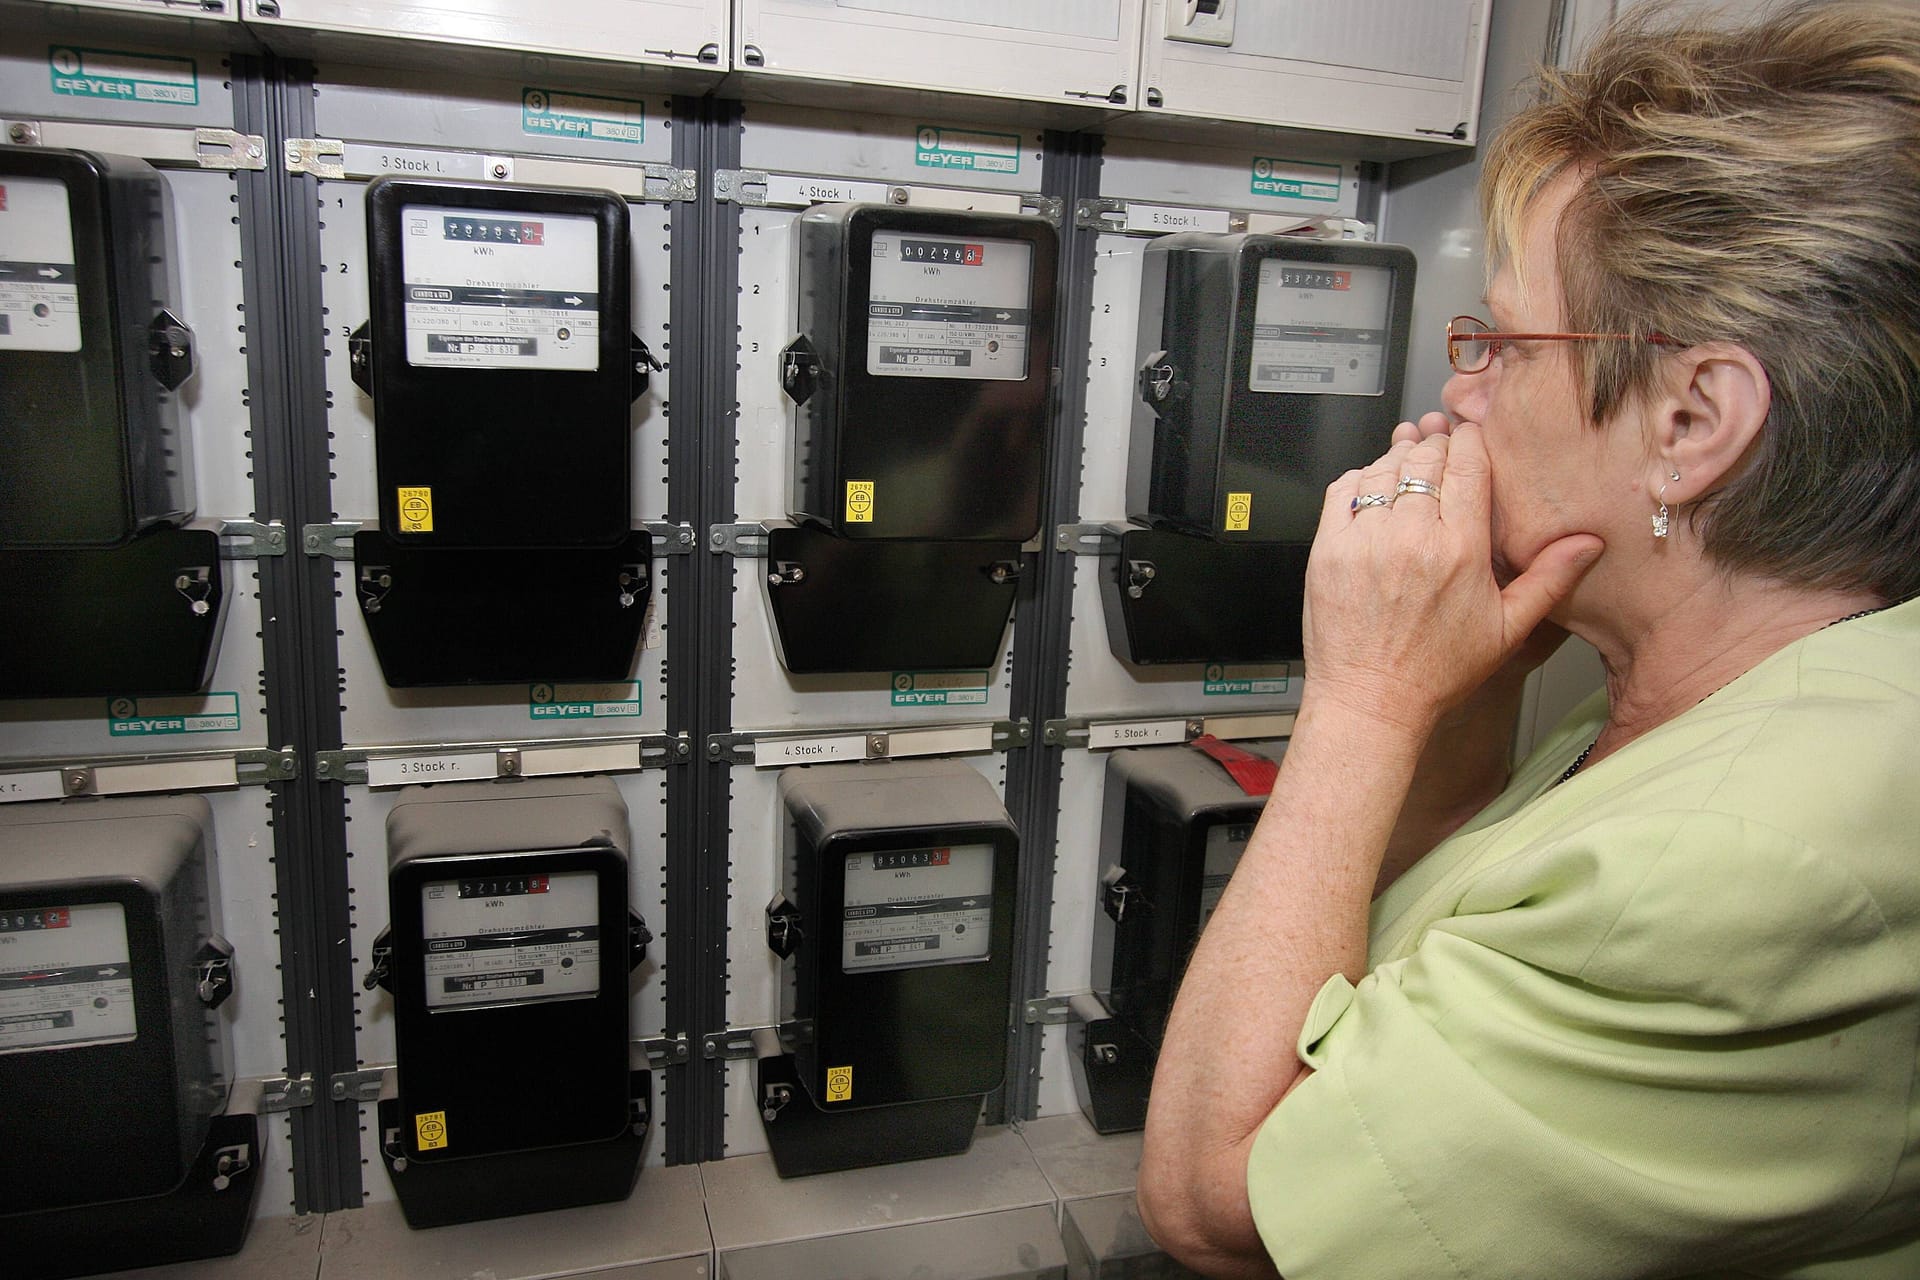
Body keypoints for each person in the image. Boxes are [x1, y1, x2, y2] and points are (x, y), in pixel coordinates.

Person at [1135, 2, 1920, 1276]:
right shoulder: (1714, 693)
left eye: (1502, 343)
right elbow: (1428, 942)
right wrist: (1460, 688)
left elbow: (1222, 1201)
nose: (1460, 391)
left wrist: (1364, 699)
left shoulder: (1735, 862)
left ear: (1690, 421)